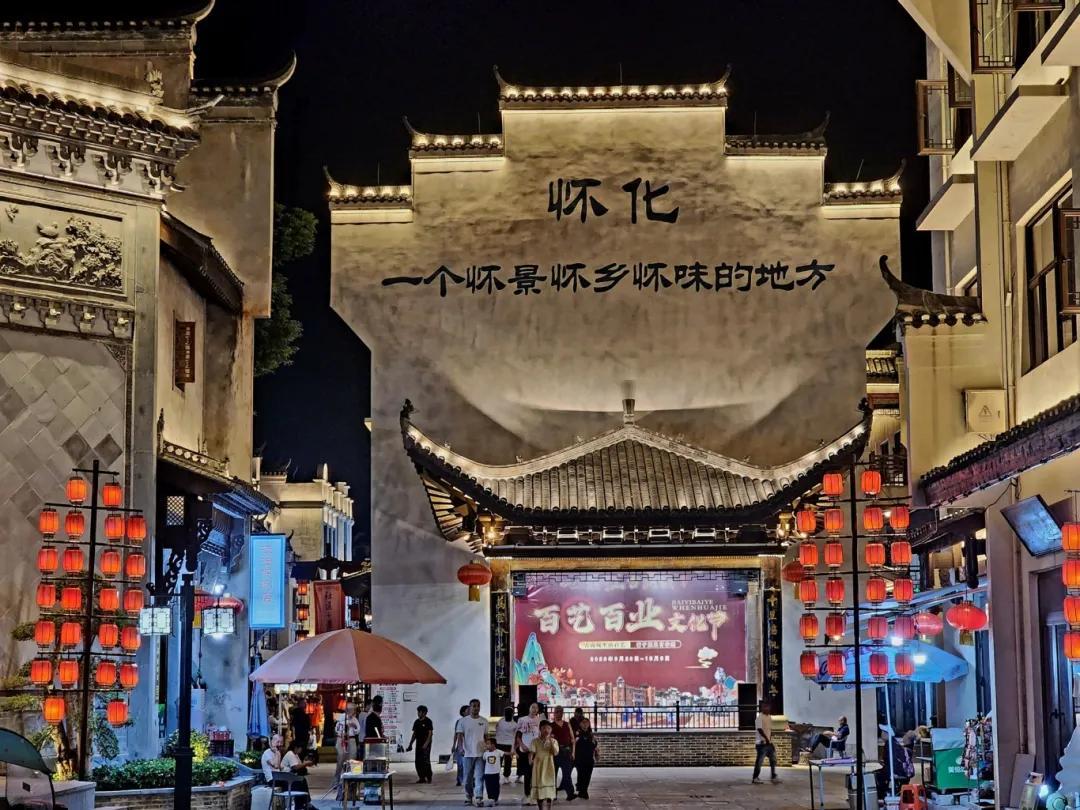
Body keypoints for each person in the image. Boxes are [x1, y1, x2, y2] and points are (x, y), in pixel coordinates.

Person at [454, 698, 489, 807]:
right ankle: (469, 797)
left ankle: (479, 798)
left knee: (479, 776)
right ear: (470, 707)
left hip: (480, 754)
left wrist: (487, 747)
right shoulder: (463, 721)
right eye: (474, 706)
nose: (476, 708)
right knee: (467, 778)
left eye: (478, 706)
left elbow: (486, 737)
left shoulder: (484, 721)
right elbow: (460, 736)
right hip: (467, 754)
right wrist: (460, 748)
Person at [528, 720, 559, 810]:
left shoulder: (554, 741)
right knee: (539, 788)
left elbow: (555, 752)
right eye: (544, 728)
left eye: (548, 728)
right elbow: (531, 752)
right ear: (540, 729)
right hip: (538, 766)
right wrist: (530, 760)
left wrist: (551, 742)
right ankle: (540, 808)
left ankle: (549, 808)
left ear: (551, 730)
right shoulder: (535, 741)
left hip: (549, 766)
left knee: (549, 789)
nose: (546, 730)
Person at [334, 703, 362, 797]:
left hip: (351, 739)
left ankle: (350, 783)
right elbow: (337, 728)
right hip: (341, 739)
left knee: (352, 761)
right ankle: (337, 781)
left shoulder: (354, 719)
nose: (351, 712)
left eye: (352, 710)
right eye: (349, 709)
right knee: (340, 760)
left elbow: (358, 730)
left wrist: (353, 726)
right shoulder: (342, 717)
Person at [278, 738, 315, 808]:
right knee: (301, 783)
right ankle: (305, 804)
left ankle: (305, 803)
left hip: (292, 778)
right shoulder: (290, 754)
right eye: (300, 748)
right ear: (296, 748)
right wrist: (305, 763)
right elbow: (295, 767)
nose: (301, 750)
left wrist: (305, 763)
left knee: (302, 780)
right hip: (287, 780)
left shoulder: (296, 755)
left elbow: (300, 766)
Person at [514, 703, 542, 794]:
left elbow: (540, 734)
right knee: (527, 773)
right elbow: (518, 735)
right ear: (529, 708)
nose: (534, 709)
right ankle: (527, 794)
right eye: (533, 707)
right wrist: (522, 745)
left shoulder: (539, 720)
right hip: (525, 749)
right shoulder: (522, 719)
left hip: (536, 749)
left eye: (536, 708)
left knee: (535, 772)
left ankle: (534, 793)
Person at [550, 706, 576, 801]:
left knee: (567, 774)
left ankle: (570, 793)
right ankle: (553, 794)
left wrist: (573, 752)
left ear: (562, 713)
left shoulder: (567, 724)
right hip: (555, 752)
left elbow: (573, 739)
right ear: (554, 713)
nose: (558, 714)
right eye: (557, 712)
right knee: (553, 774)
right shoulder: (551, 725)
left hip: (566, 751)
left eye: (560, 712)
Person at [752, 700, 781, 785]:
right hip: (761, 744)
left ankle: (773, 776)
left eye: (768, 707)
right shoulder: (759, 717)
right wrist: (766, 739)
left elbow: (769, 729)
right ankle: (755, 778)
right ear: (762, 708)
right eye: (765, 707)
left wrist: (770, 739)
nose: (767, 708)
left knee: (773, 759)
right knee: (759, 761)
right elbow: (760, 729)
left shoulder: (769, 717)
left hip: (769, 743)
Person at [406, 704, 434, 783]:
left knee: (425, 761)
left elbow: (430, 734)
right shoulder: (417, 722)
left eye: (420, 712)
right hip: (418, 743)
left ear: (424, 713)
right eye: (418, 712)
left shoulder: (428, 721)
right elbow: (414, 734)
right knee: (418, 761)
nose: (418, 713)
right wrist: (410, 744)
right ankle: (422, 777)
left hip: (426, 744)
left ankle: (429, 777)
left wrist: (426, 744)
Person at [573, 717, 598, 800]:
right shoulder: (577, 733)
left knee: (588, 775)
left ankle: (584, 790)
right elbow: (574, 745)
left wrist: (596, 753)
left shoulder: (591, 734)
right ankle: (582, 791)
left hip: (589, 758)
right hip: (580, 759)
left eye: (587, 722)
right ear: (580, 724)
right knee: (581, 775)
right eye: (583, 722)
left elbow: (595, 745)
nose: (585, 724)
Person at [494, 706, 517, 783]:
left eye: (509, 713)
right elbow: (497, 730)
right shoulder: (501, 721)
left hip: (508, 744)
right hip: (500, 743)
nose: (508, 714)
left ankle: (506, 776)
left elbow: (514, 736)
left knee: (507, 761)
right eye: (507, 713)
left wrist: (513, 747)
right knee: (499, 761)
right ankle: (498, 776)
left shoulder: (514, 724)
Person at [483, 737, 502, 806]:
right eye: (486, 744)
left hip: (495, 773)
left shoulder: (498, 752)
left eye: (488, 744)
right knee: (488, 786)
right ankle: (491, 798)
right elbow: (484, 760)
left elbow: (505, 753)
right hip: (487, 773)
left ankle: (495, 798)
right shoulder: (485, 753)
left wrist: (513, 753)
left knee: (496, 786)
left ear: (493, 745)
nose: (486, 745)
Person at [454, 705, 469, 786]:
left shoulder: (472, 721)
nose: (469, 711)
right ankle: (459, 779)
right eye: (467, 710)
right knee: (460, 764)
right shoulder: (459, 722)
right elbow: (456, 734)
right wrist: (454, 745)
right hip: (460, 745)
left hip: (469, 745)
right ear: (463, 712)